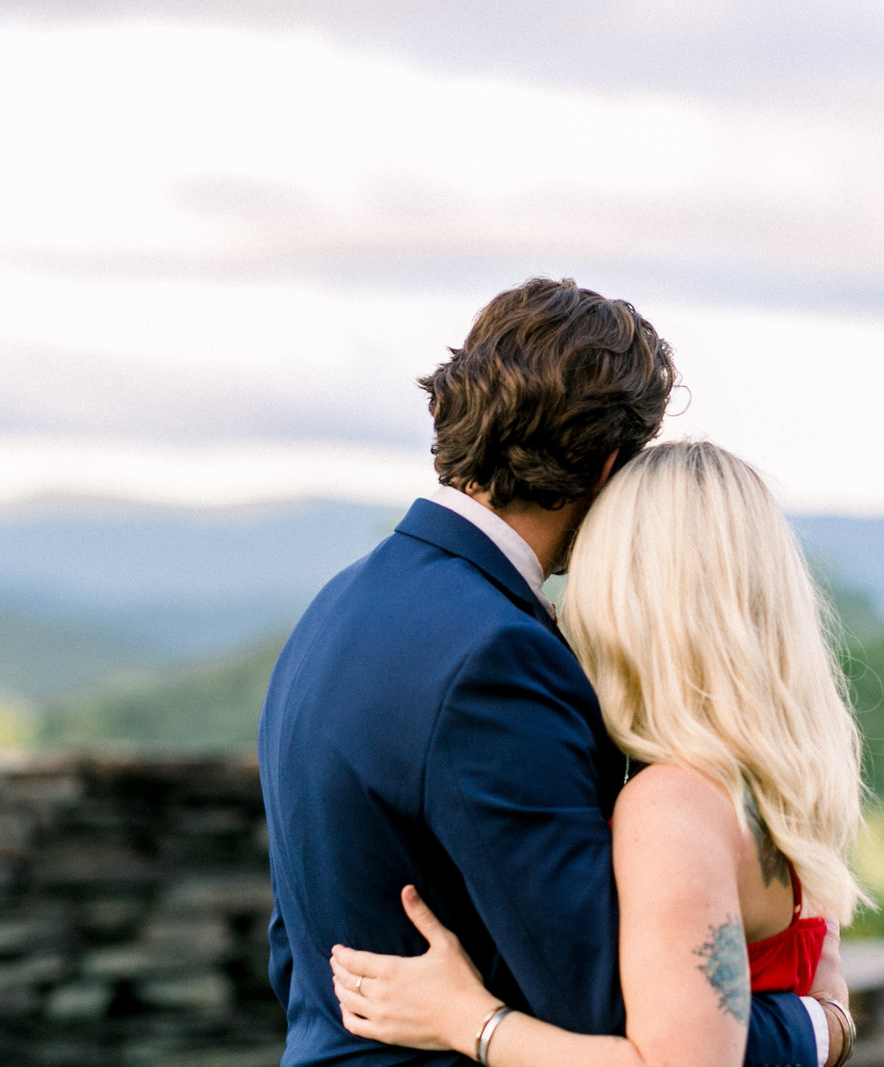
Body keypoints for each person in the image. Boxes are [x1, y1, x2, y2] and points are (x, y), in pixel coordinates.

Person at [258, 279, 837, 1066]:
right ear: (606, 468)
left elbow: (297, 946)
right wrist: (818, 1025)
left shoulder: (336, 606)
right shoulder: (496, 655)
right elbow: (610, 1009)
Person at [327, 441, 867, 1067]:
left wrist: (468, 1019)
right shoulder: (775, 792)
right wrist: (828, 1030)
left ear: (627, 592)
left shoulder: (673, 805)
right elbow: (825, 996)